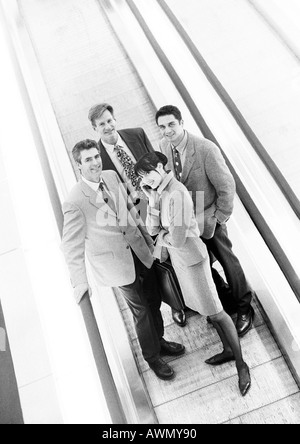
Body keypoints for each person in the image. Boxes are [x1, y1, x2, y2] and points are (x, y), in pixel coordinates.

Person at [61, 139, 185, 380]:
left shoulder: (110, 176)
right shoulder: (74, 201)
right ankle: (152, 357)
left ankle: (159, 341)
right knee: (140, 310)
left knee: (154, 299)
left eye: (96, 156)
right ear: (78, 165)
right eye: (88, 159)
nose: (95, 162)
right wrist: (79, 281)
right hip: (115, 265)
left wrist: (151, 244)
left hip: (140, 251)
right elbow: (71, 245)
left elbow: (131, 210)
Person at [134, 151, 251, 396]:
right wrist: (152, 203)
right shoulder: (161, 194)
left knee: (217, 313)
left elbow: (175, 238)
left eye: (148, 174)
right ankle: (228, 350)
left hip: (193, 261)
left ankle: (242, 365)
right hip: (182, 261)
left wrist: (161, 237)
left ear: (160, 166)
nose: (147, 180)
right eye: (143, 177)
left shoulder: (177, 193)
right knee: (208, 310)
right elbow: (153, 228)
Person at [155, 105, 255, 337]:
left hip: (209, 218)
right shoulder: (163, 147)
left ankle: (244, 309)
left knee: (228, 262)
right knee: (203, 265)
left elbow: (227, 186)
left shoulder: (205, 149)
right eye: (162, 127)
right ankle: (226, 302)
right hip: (187, 223)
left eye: (171, 124)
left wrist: (218, 218)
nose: (167, 130)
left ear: (181, 122)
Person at [88, 102, 186, 327]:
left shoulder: (136, 135)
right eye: (101, 124)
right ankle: (177, 305)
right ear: (95, 128)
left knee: (177, 248)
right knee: (159, 257)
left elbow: (158, 165)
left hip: (159, 200)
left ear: (115, 120)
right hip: (135, 212)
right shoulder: (97, 157)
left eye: (110, 121)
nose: (108, 126)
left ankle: (188, 299)